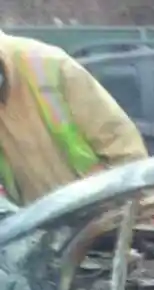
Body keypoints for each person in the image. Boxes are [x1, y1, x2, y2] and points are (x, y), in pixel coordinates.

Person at [0, 29, 146, 207]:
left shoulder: (48, 65)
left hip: (103, 212)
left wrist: (126, 210)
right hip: (42, 224)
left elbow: (124, 149)